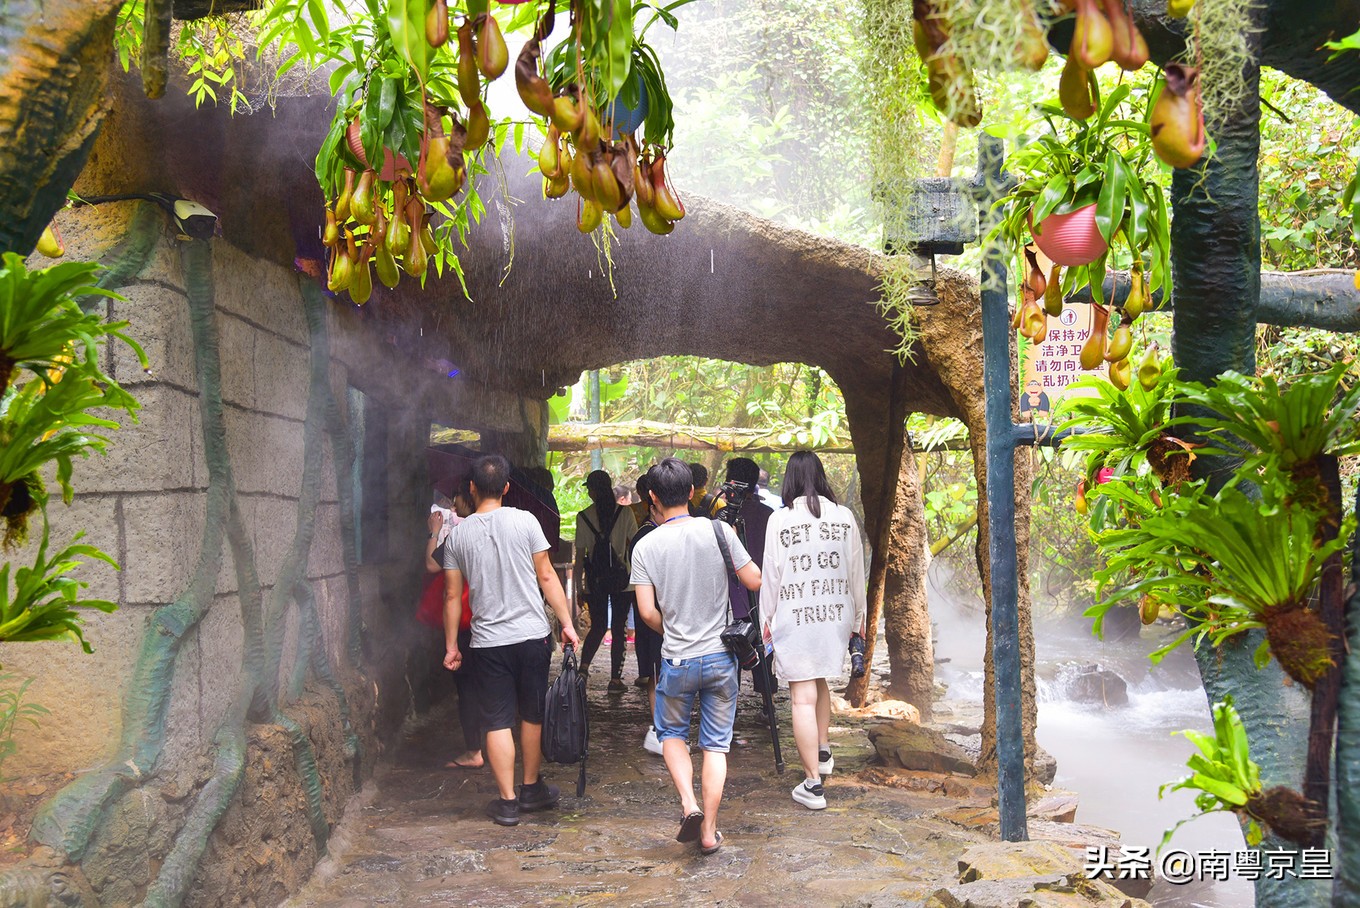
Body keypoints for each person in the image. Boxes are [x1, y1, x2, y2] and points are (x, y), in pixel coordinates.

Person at [442, 455, 580, 827]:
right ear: (506, 487)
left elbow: (452, 597)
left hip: (487, 643)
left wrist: (452, 646)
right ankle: (531, 788)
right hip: (532, 636)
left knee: (497, 719)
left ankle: (506, 802)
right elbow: (547, 577)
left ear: (471, 488)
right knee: (531, 714)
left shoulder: (458, 535)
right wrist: (566, 623)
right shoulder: (526, 521)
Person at [633, 457, 761, 855]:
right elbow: (754, 579)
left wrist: (673, 629)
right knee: (715, 746)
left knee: (671, 734)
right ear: (691, 492)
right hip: (722, 657)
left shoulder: (645, 545)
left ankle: (688, 805)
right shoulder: (719, 531)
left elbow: (647, 612)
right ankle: (709, 832)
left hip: (676, 659)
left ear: (652, 497)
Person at [758, 451, 866, 811]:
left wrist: (766, 620)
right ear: (821, 477)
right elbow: (856, 574)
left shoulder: (780, 520)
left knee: (801, 696)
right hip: (835, 615)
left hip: (796, 616)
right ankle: (823, 750)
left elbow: (771, 576)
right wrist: (858, 622)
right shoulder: (844, 517)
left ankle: (812, 785)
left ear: (789, 480)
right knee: (818, 680)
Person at [425, 479, 482, 769]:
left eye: (456, 496)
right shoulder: (490, 529)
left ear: (469, 497)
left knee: (468, 687)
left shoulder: (459, 534)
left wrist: (434, 533)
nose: (453, 501)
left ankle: (475, 751)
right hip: (491, 618)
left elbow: (432, 565)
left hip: (464, 620)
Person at [715, 458, 775, 704]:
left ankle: (730, 704)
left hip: (730, 596)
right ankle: (767, 702)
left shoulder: (721, 518)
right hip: (762, 595)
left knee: (730, 652)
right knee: (764, 652)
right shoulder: (769, 515)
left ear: (730, 481)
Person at [574, 469, 639, 693]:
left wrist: (578, 587)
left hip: (596, 581)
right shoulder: (626, 514)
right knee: (619, 628)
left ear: (592, 491)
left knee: (599, 626)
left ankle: (583, 669)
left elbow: (580, 557)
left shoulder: (583, 517)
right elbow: (635, 546)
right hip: (624, 580)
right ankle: (615, 680)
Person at [628, 469, 664, 754]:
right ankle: (658, 729)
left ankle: (664, 727)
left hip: (658, 614)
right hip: (654, 615)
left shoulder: (653, 534)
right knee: (656, 673)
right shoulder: (646, 536)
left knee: (663, 672)